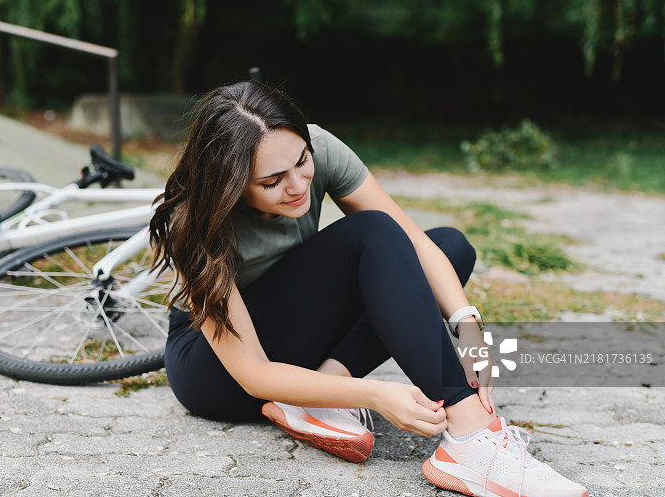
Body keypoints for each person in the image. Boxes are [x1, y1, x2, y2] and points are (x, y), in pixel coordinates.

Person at [149, 81, 588, 497]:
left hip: (297, 332)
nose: (298, 185)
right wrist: (376, 395)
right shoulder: (192, 223)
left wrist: (470, 332)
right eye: (272, 181)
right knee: (371, 232)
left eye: (302, 161)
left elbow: (416, 243)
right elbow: (254, 374)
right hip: (219, 373)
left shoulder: (318, 146)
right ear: (229, 184)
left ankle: (321, 391)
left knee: (449, 247)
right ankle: (471, 438)